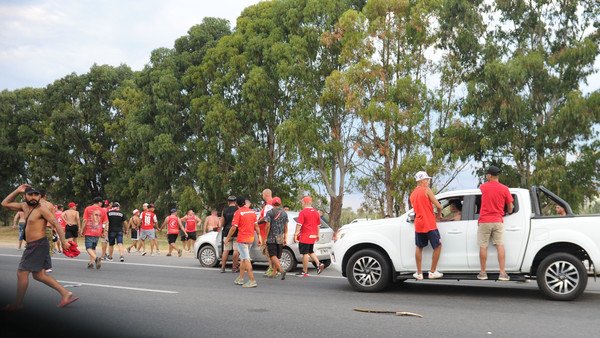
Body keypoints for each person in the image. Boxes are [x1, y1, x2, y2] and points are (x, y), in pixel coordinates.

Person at [1, 184, 78, 310]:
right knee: (39, 275)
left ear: (40, 196)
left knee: (21, 273)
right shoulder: (24, 206)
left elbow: (56, 224)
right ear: (25, 195)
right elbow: (5, 203)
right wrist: (17, 190)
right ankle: (66, 293)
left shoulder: (42, 209)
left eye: (36, 195)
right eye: (30, 194)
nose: (33, 197)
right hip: (35, 245)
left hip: (37, 245)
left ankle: (17, 304)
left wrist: (63, 242)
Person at [478, 165, 514, 281]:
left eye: (487, 174)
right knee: (500, 245)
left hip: (484, 221)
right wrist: (507, 211)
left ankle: (483, 273)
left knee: (483, 246)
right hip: (498, 220)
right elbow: (510, 207)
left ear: (489, 175)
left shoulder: (483, 187)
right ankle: (502, 273)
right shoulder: (504, 189)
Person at [409, 171, 444, 280]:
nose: (428, 181)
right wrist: (438, 215)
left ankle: (419, 273)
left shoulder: (412, 194)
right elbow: (439, 206)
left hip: (419, 224)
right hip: (429, 223)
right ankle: (432, 272)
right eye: (426, 180)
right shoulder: (427, 190)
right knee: (438, 246)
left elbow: (419, 208)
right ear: (421, 181)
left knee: (419, 247)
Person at [224, 197, 261, 288]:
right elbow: (256, 226)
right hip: (250, 238)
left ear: (237, 204)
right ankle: (240, 278)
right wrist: (259, 237)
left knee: (246, 259)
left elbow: (233, 228)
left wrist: (227, 238)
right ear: (244, 203)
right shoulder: (252, 212)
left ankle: (252, 280)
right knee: (243, 258)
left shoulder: (238, 213)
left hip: (242, 239)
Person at [294, 196, 326, 277]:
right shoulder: (316, 212)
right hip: (313, 235)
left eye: (302, 203)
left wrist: (296, 234)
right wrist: (317, 235)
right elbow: (318, 225)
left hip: (305, 236)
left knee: (304, 253)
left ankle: (304, 271)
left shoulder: (303, 212)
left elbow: (299, 224)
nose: (301, 204)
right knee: (310, 251)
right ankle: (319, 264)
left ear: (305, 202)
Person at [264, 197, 288, 280]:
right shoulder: (284, 213)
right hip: (280, 237)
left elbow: (267, 226)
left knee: (272, 255)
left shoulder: (270, 212)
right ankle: (274, 273)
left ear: (272, 204)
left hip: (271, 237)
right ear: (280, 204)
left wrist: (265, 237)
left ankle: (281, 270)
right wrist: (285, 237)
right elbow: (286, 226)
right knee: (277, 256)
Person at [81, 197, 108, 269]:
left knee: (88, 248)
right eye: (101, 202)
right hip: (98, 231)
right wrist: (103, 231)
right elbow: (105, 223)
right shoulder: (103, 210)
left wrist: (81, 230)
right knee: (93, 247)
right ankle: (91, 263)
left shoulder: (88, 208)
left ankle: (96, 259)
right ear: (99, 202)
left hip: (89, 231)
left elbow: (85, 220)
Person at [220, 196, 239, 273]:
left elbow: (222, 223)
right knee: (236, 250)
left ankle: (223, 267)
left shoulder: (224, 210)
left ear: (228, 202)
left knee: (226, 250)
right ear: (235, 202)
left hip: (226, 232)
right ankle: (234, 267)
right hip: (236, 231)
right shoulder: (238, 210)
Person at [257, 188, 274, 276]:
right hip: (268, 232)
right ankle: (272, 269)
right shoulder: (272, 204)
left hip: (266, 232)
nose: (262, 196)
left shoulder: (268, 205)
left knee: (268, 252)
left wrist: (257, 222)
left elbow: (267, 219)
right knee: (269, 252)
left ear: (266, 195)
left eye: (263, 194)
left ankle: (272, 269)